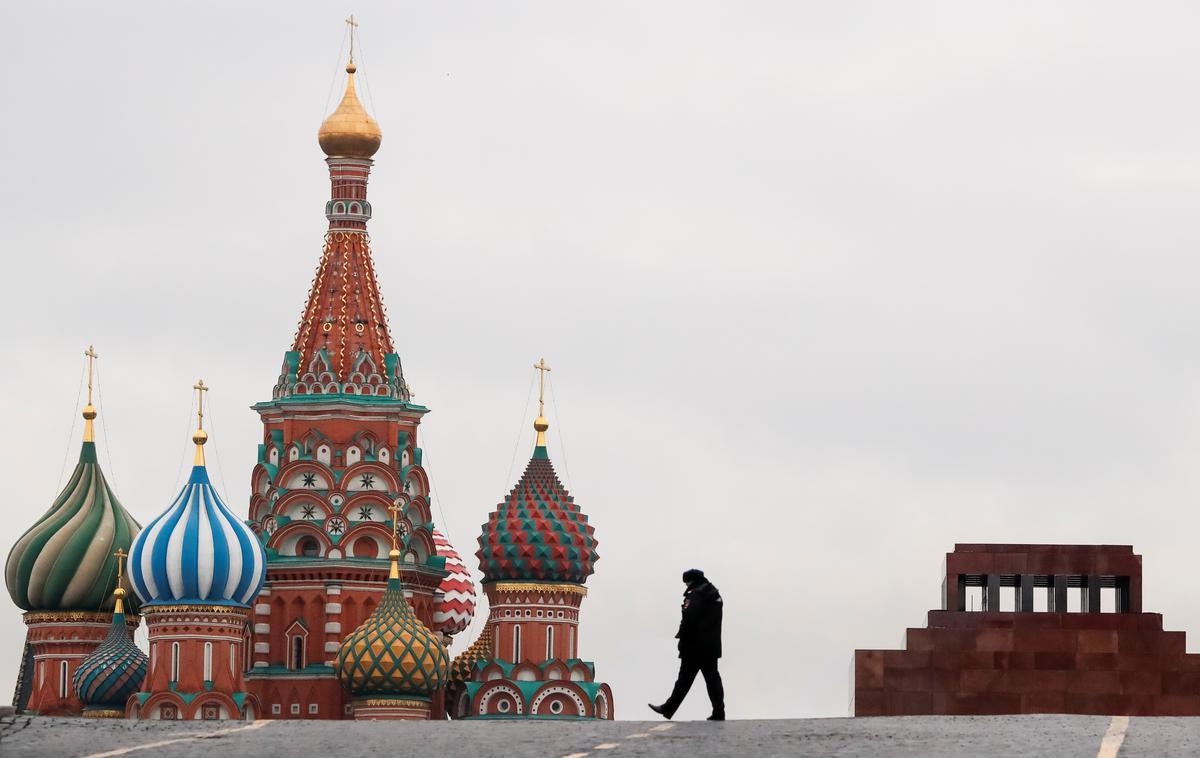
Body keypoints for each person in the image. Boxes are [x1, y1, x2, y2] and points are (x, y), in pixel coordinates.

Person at [649, 568, 725, 720]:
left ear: (691, 581)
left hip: (694, 647)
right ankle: (719, 711)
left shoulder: (696, 595)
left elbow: (689, 618)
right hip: (711, 646)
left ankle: (668, 709)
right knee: (712, 679)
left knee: (684, 680)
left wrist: (681, 637)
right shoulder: (714, 594)